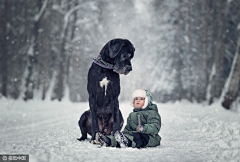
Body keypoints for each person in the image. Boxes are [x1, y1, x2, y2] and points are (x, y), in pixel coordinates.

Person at [95, 89, 161, 148]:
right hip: (133, 136)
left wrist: (144, 128)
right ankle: (107, 140)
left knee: (138, 137)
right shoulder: (132, 115)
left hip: (150, 138)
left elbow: (155, 126)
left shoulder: (151, 113)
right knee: (127, 136)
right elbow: (128, 128)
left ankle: (125, 141)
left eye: (141, 99)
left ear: (147, 101)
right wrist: (123, 134)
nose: (138, 100)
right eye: (136, 99)